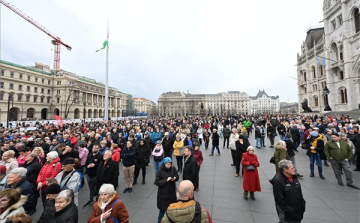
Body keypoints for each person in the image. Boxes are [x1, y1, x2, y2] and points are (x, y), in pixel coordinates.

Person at [155, 157, 179, 223]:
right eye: (168, 165)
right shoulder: (160, 170)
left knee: (172, 211)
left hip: (172, 194)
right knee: (162, 212)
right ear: (165, 164)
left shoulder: (173, 168)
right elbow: (157, 182)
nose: (169, 166)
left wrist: (175, 178)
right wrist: (166, 180)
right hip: (163, 195)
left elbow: (177, 175)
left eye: (170, 164)